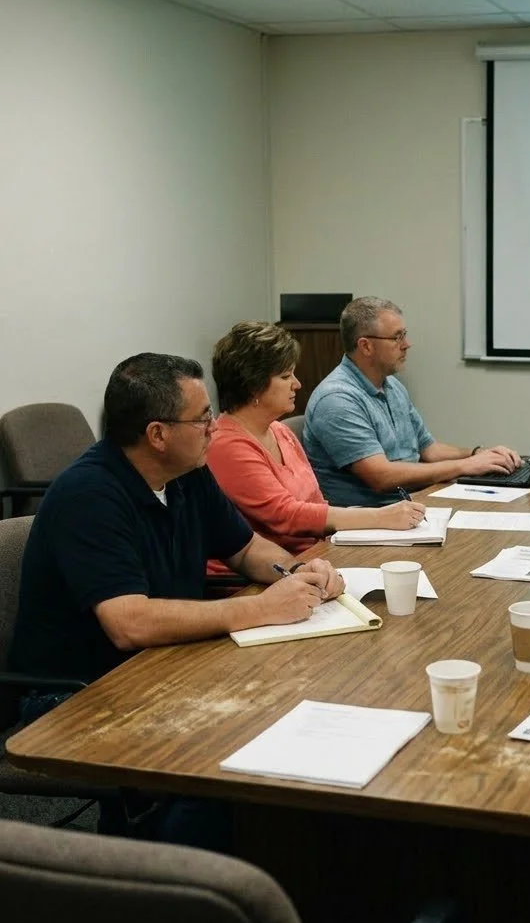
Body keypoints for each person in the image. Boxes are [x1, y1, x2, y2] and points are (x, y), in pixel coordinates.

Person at [9, 353, 345, 848]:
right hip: (76, 690)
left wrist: (296, 571)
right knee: (224, 754)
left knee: (291, 708)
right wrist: (258, 608)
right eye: (203, 418)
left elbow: (246, 547)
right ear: (157, 434)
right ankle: (165, 875)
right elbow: (129, 623)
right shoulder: (89, 495)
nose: (215, 427)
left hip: (163, 666)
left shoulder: (188, 472)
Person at [206, 321, 425, 557]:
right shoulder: (226, 445)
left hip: (317, 553)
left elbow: (317, 504)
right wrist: (381, 517)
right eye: (285, 376)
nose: (297, 384)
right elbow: (286, 516)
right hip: (269, 574)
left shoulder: (280, 431)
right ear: (253, 386)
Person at [304, 296, 522, 506]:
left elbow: (429, 450)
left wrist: (478, 454)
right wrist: (465, 466)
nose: (407, 344)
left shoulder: (393, 385)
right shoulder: (337, 400)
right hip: (370, 517)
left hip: (413, 503)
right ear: (366, 346)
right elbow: (381, 477)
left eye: (404, 334)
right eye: (397, 337)